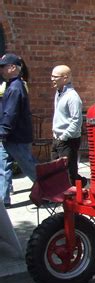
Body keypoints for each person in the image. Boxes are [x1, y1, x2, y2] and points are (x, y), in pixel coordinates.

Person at [0, 53, 37, 208]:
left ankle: (50, 191)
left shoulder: (15, 87)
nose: (1, 70)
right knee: (3, 167)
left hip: (16, 136)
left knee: (29, 167)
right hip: (11, 136)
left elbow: (11, 113)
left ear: (13, 67)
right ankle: (3, 200)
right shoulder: (13, 85)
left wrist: (3, 131)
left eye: (3, 67)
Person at [50, 65, 86, 186]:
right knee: (56, 171)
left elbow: (76, 120)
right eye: (52, 76)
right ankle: (80, 184)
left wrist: (64, 136)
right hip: (57, 138)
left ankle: (72, 196)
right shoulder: (58, 93)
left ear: (65, 78)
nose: (52, 79)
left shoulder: (72, 97)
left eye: (55, 76)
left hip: (68, 140)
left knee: (68, 172)